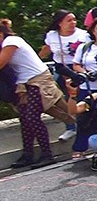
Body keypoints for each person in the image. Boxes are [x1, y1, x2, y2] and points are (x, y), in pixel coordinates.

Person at [2, 20, 66, 168]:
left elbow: (1, 62)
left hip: (38, 80)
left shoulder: (11, 41)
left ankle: (47, 154)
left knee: (32, 116)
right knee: (25, 119)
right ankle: (28, 154)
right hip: (24, 83)